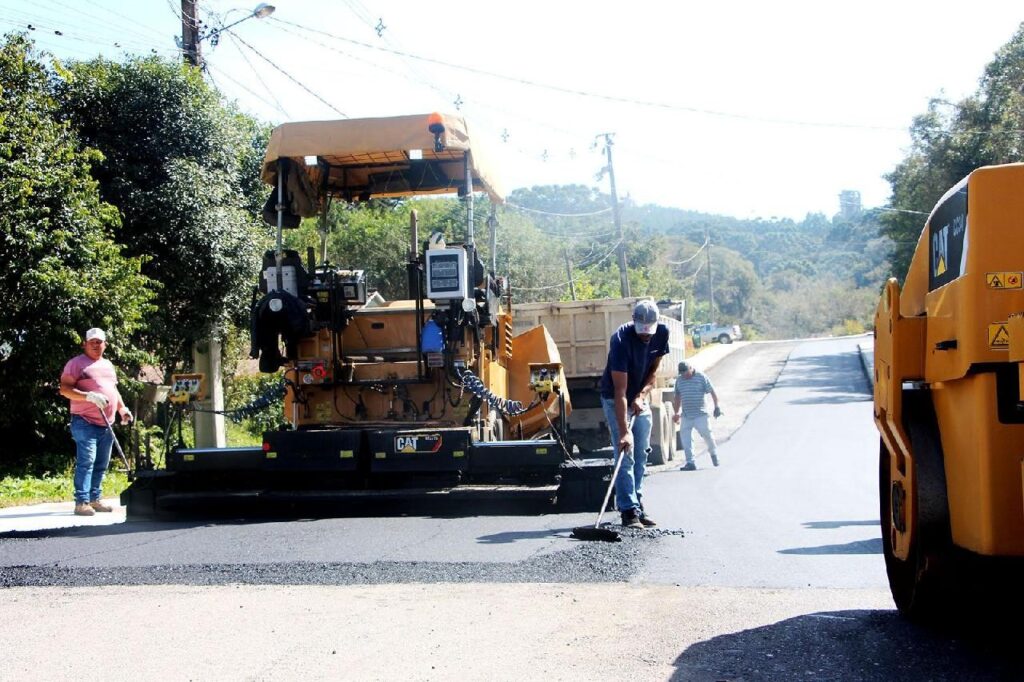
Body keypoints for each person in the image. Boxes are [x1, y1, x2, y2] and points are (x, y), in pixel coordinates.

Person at [599, 299, 670, 529]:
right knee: (625, 452)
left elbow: (653, 372)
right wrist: (623, 432)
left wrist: (640, 396)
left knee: (641, 454)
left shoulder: (662, 334)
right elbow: (620, 391)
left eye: (649, 331)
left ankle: (637, 505)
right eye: (642, 331)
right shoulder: (620, 340)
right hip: (615, 398)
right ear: (634, 322)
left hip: (639, 396)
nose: (646, 336)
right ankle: (628, 512)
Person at [59, 328, 132, 516]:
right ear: (85, 343)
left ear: (105, 345)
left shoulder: (108, 365)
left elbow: (113, 390)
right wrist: (88, 396)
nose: (95, 345)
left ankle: (95, 499)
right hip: (84, 421)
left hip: (106, 423)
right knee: (87, 461)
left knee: (101, 463)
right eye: (92, 342)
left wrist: (122, 409)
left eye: (99, 342)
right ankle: (81, 502)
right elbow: (65, 389)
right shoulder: (76, 364)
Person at [673, 361, 721, 471]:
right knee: (686, 440)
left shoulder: (701, 377)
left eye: (686, 372)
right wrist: (676, 413)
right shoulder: (679, 380)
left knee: (707, 435)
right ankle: (690, 462)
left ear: (691, 368)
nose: (684, 375)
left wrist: (717, 406)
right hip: (686, 415)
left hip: (701, 414)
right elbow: (677, 397)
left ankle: (713, 453)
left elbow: (712, 392)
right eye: (682, 373)